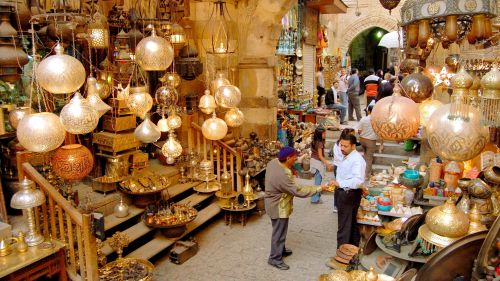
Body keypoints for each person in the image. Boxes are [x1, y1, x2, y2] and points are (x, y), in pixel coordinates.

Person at [265, 147, 330, 270]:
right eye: (294, 157)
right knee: (278, 232)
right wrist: (319, 188)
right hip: (278, 206)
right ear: (288, 158)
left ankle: (280, 249)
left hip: (273, 202)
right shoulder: (283, 175)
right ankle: (274, 258)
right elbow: (298, 191)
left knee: (280, 230)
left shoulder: (273, 162)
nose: (296, 159)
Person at [328, 134, 366, 248]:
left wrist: (340, 183)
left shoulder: (357, 160)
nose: (342, 148)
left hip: (348, 194)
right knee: (350, 225)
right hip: (345, 193)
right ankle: (351, 251)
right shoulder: (348, 155)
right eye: (341, 145)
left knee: (344, 227)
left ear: (353, 146)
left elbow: (358, 181)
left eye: (345, 146)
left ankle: (342, 254)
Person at [358, 105, 382, 179]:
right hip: (371, 141)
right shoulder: (377, 120)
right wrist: (382, 143)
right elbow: (380, 132)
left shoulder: (363, 119)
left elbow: (359, 130)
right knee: (369, 159)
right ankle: (366, 175)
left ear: (368, 111)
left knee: (365, 156)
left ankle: (363, 172)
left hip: (362, 139)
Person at [310, 127, 333, 204]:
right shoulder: (320, 143)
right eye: (324, 133)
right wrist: (327, 164)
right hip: (317, 163)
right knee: (318, 182)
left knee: (317, 180)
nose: (325, 135)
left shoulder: (315, 141)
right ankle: (314, 199)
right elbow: (320, 156)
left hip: (314, 161)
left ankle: (316, 197)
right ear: (320, 134)